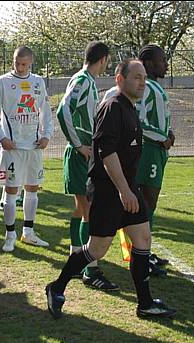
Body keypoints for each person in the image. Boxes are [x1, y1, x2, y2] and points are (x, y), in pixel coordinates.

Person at [45, 59, 177, 320]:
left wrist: (129, 189)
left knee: (143, 239)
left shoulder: (130, 106)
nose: (142, 82)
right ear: (120, 79)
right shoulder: (112, 107)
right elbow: (107, 154)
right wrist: (123, 191)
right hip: (110, 191)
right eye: (136, 77)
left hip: (127, 187)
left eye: (143, 78)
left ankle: (145, 303)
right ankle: (56, 287)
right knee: (96, 250)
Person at [56, 41, 119, 291]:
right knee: (89, 211)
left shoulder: (88, 82)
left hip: (83, 154)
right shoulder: (82, 80)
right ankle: (89, 270)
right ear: (103, 59)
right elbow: (64, 110)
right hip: (80, 154)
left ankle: (77, 258)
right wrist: (79, 144)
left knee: (81, 209)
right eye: (108, 61)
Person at [0, 46, 54, 252]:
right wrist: (2, 138)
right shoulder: (2, 82)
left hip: (33, 146)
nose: (19, 67)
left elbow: (45, 111)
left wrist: (46, 135)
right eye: (17, 62)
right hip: (13, 147)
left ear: (31, 63)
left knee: (32, 188)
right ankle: (10, 235)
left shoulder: (37, 82)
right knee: (11, 190)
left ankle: (28, 232)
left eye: (24, 64)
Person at [135, 45, 174, 274]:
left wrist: (169, 132)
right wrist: (161, 137)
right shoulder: (146, 87)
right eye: (162, 61)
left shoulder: (155, 86)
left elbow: (157, 119)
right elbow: (137, 120)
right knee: (146, 203)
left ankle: (145, 252)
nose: (166, 64)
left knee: (151, 203)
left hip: (158, 150)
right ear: (149, 64)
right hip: (148, 150)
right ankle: (142, 256)